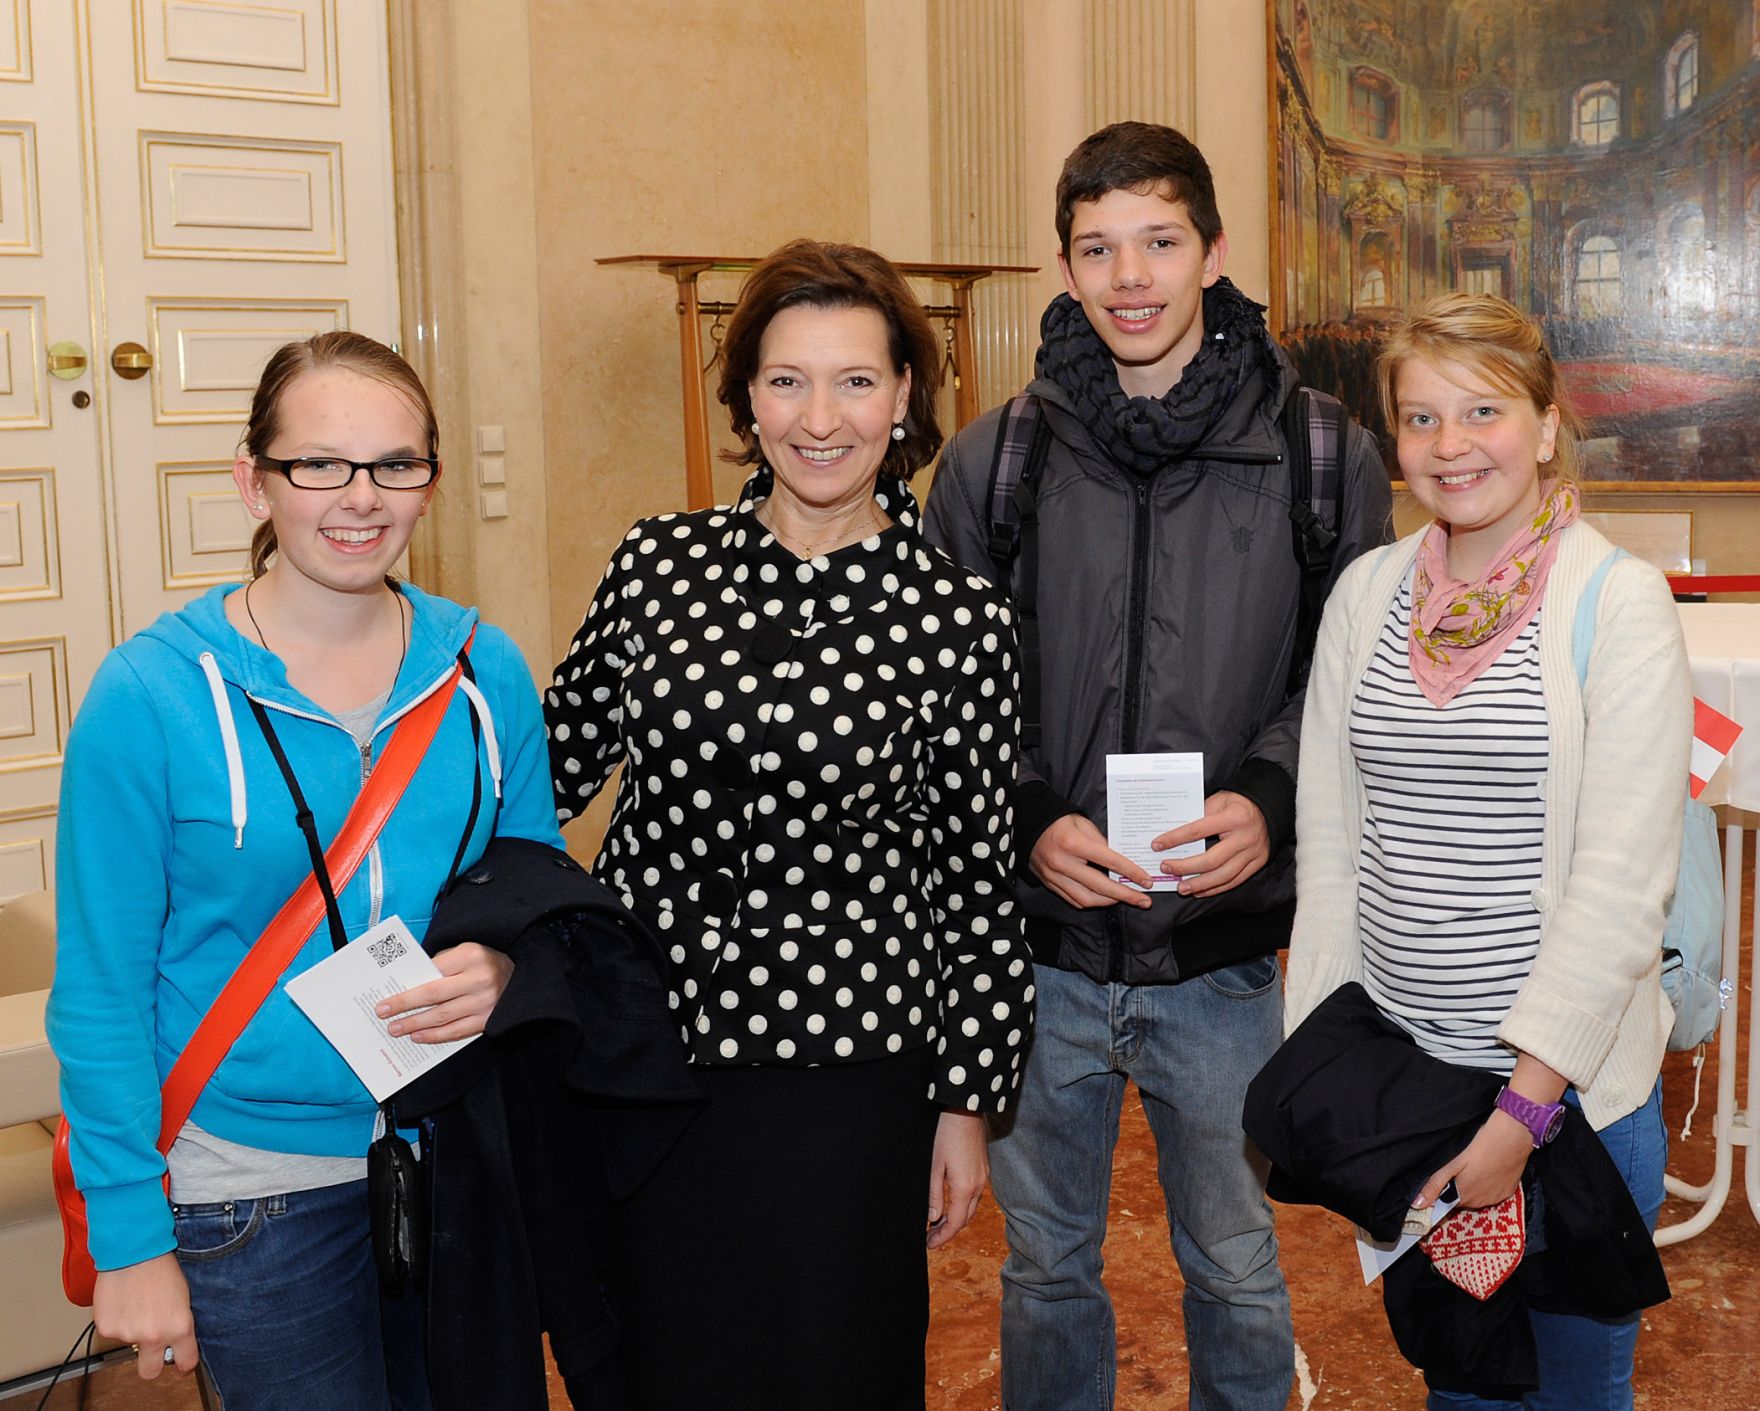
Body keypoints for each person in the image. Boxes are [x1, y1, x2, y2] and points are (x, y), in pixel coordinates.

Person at [923, 121, 1392, 1410]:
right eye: (1097, 248)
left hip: (1223, 948)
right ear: (1063, 266)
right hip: (1043, 951)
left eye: (1158, 242)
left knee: (1237, 1265)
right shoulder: (993, 458)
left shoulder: (1317, 453)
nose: (1129, 276)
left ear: (1211, 251)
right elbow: (946, 693)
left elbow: (1348, 673)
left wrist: (1270, 794)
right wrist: (1022, 813)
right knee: (1044, 1268)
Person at [543, 238, 1034, 1411]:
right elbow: (545, 765)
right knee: (662, 1358)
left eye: (855, 381)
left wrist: (964, 1105)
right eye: (785, 381)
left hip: (849, 1073)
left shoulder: (956, 617)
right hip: (648, 1061)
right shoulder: (660, 564)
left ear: (905, 396)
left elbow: (975, 880)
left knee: (834, 1366)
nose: (820, 417)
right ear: (745, 398)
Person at [46, 331, 563, 1409]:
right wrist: (133, 1238)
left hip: (448, 1148)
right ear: (254, 481)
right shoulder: (149, 695)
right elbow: (99, 991)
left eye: (394, 464)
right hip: (249, 1181)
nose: (358, 497)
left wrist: (504, 972)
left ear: (429, 482)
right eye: (318, 463)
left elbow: (534, 891)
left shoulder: (485, 670)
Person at [1283, 292, 1689, 1410]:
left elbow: (1616, 892)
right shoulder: (1366, 596)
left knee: (1565, 1392)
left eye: (1480, 410)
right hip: (1405, 1094)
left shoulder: (1618, 604)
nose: (1449, 446)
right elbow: (1330, 850)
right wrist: (1331, 1074)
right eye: (1418, 420)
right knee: (1459, 1387)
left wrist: (1519, 1111)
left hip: (1561, 1112)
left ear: (1548, 422)